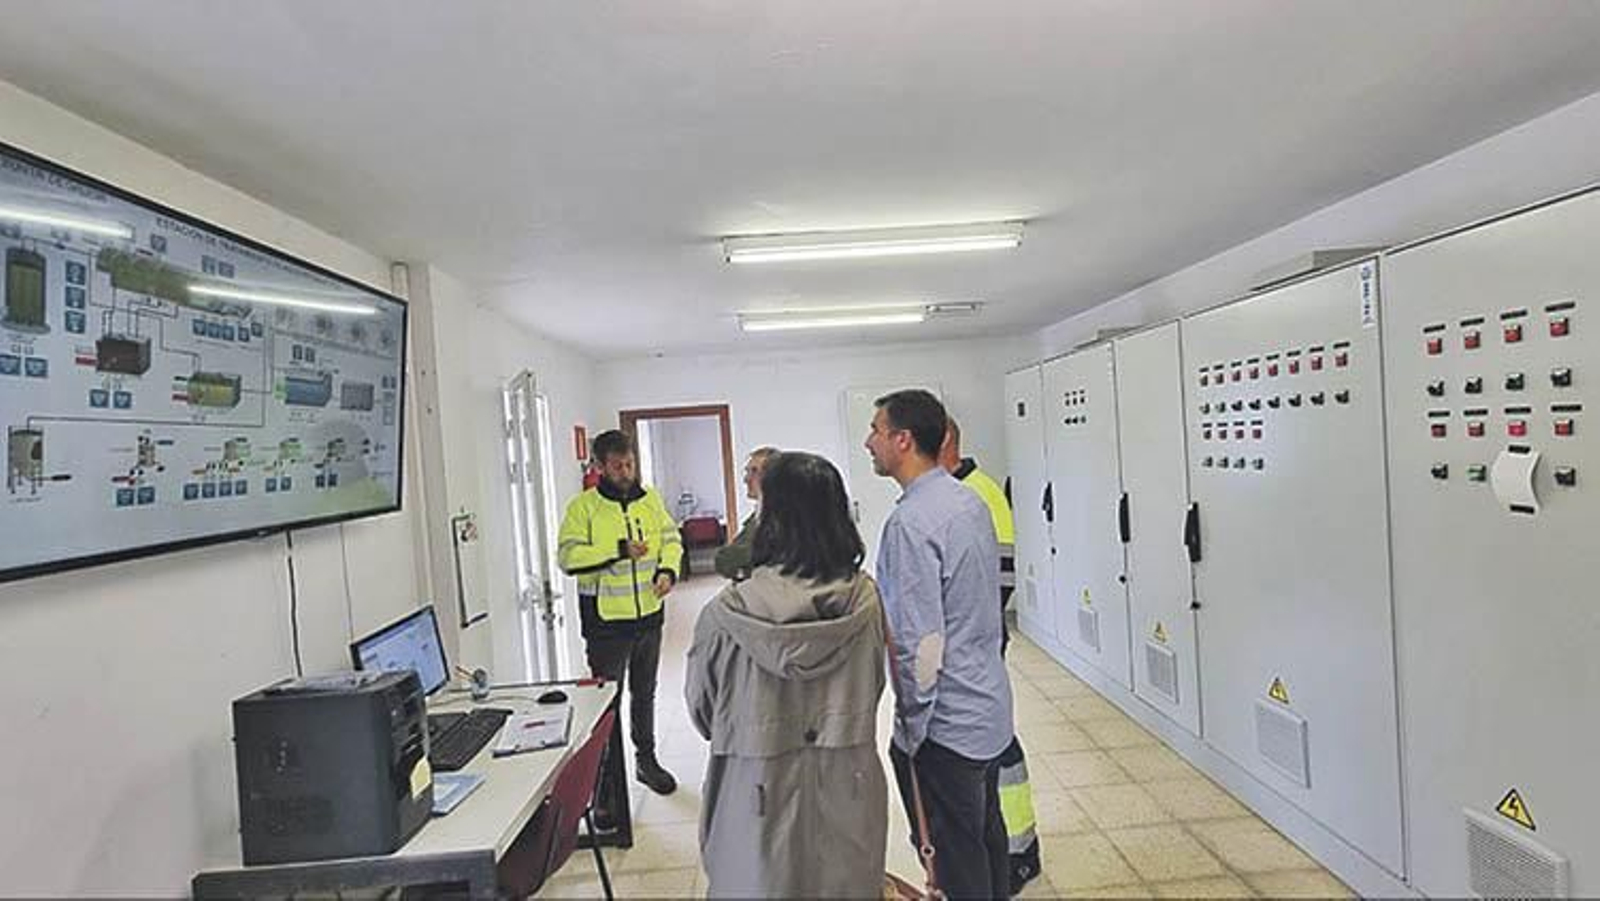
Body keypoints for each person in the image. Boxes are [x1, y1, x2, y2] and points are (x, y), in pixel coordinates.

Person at [686, 451, 888, 898]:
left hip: (754, 790)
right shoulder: (867, 604)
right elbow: (874, 687)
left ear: (769, 518)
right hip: (848, 785)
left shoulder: (724, 614)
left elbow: (704, 712)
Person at [865, 390, 1015, 900]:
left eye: (877, 431)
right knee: (986, 837)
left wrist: (909, 732)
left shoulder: (910, 523)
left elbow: (920, 645)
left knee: (955, 858)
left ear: (903, 440)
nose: (869, 441)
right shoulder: (967, 499)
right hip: (987, 708)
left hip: (945, 727)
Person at [557, 429, 683, 826]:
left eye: (630, 464)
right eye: (617, 466)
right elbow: (568, 557)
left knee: (644, 694)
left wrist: (667, 570)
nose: (626, 471)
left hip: (648, 616)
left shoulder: (651, 501)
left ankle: (646, 761)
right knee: (606, 708)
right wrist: (616, 552)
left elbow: (671, 540)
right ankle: (607, 790)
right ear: (599, 467)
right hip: (606, 625)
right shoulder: (584, 508)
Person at [940, 417, 1040, 894]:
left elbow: (1000, 579)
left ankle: (1019, 850)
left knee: (995, 744)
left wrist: (963, 638)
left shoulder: (979, 492)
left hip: (976, 643)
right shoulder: (950, 492)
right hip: (965, 642)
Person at [713, 446, 779, 581]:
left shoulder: (780, 516)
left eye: (754, 471)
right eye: (747, 471)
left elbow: (731, 560)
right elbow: (724, 561)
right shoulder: (759, 513)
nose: (746, 479)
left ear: (775, 476)